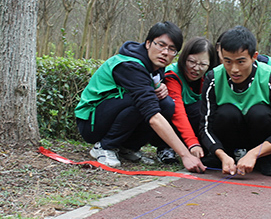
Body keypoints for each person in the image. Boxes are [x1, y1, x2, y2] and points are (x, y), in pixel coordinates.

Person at [74, 21, 205, 173]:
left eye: (172, 49)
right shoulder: (130, 65)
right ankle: (104, 146)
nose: (165, 52)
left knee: (167, 104)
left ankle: (127, 148)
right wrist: (185, 154)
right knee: (141, 103)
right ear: (148, 43)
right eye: (161, 45)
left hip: (111, 113)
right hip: (91, 121)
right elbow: (152, 114)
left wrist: (159, 87)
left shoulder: (156, 66)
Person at [200, 26, 271, 177]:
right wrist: (221, 154)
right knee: (226, 112)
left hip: (260, 141)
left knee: (260, 113)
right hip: (229, 139)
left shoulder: (270, 77)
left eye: (241, 62)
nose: (234, 69)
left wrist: (254, 153)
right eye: (227, 61)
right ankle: (227, 158)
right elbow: (205, 128)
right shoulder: (213, 78)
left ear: (254, 56)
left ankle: (265, 160)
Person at [163, 37, 219, 160]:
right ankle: (165, 147)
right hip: (173, 123)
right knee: (169, 105)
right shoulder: (172, 75)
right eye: (192, 62)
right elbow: (178, 113)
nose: (196, 68)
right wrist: (192, 142)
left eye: (203, 64)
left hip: (194, 124)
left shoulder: (210, 77)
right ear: (184, 58)